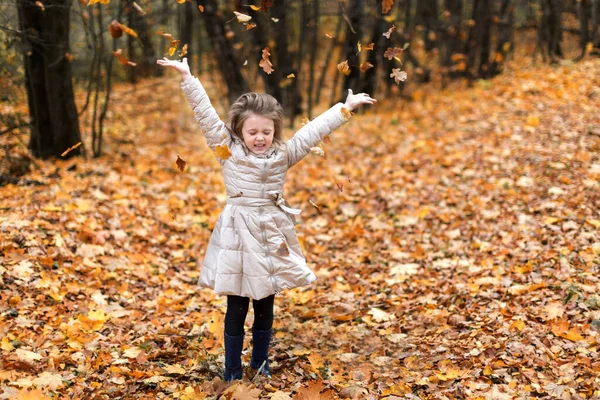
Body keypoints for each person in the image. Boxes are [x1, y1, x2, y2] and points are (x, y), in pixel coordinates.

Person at [157, 57, 376, 382]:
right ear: (240, 131)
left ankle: (260, 362)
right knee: (236, 306)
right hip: (236, 234)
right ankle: (231, 369)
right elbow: (206, 117)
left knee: (265, 301)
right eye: (253, 131)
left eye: (266, 131)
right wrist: (189, 78)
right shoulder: (226, 151)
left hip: (271, 234)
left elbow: (310, 133)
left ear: (274, 132)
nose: (259, 137)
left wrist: (344, 109)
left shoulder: (281, 155)